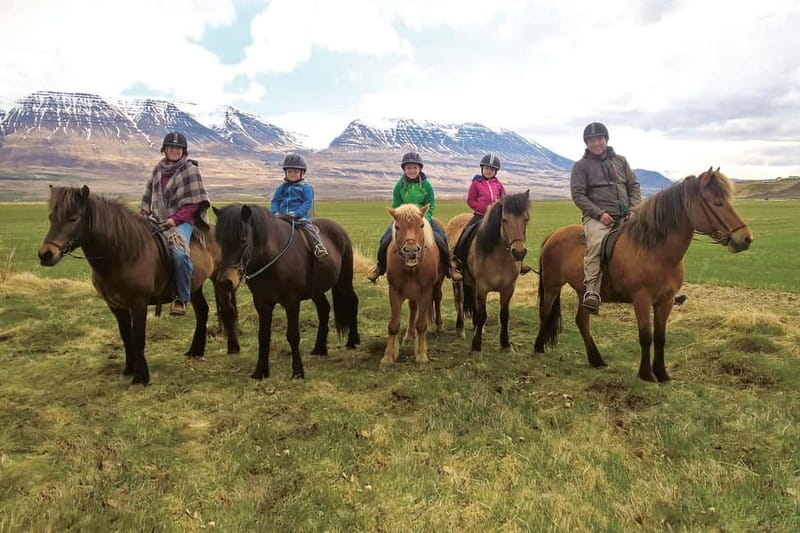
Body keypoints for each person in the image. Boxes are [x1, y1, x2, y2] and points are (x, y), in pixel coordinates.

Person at [570, 122, 641, 314]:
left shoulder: (621, 161)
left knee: (650, 238)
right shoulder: (581, 166)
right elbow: (578, 195)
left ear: (606, 139)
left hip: (627, 215)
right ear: (587, 143)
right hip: (597, 219)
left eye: (599, 138)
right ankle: (592, 291)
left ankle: (658, 285)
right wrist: (599, 214)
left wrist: (634, 209)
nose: (596, 143)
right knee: (596, 245)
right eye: (591, 140)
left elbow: (634, 186)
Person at [139, 132, 211, 316]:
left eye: (178, 148)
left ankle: (181, 297)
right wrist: (143, 213)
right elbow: (148, 195)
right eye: (171, 147)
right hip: (156, 219)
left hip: (182, 221)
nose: (174, 150)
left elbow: (194, 202)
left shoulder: (190, 170)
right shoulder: (158, 169)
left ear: (183, 151)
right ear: (164, 150)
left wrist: (175, 219)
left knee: (179, 254)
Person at [366, 152, 449, 282]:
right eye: (408, 168)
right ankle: (380, 267)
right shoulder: (399, 185)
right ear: (404, 169)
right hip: (403, 219)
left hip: (422, 218)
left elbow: (430, 204)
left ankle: (449, 267)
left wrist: (424, 218)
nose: (412, 170)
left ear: (420, 169)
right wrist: (400, 217)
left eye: (414, 167)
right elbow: (396, 204)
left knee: (442, 238)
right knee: (385, 239)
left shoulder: (427, 185)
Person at [450, 153, 506, 280]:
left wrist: (500, 208)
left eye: (491, 169)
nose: (488, 171)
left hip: (496, 218)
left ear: (495, 171)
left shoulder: (498, 184)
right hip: (480, 216)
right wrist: (484, 209)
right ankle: (457, 262)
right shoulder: (476, 183)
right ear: (482, 168)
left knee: (511, 234)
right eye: (486, 168)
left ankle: (517, 263)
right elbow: (470, 200)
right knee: (466, 233)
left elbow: (504, 199)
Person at [270, 153, 328, 260]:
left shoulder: (305, 188)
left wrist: (296, 213)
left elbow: (307, 203)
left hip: (299, 218)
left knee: (310, 230)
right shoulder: (281, 188)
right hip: (281, 217)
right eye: (290, 171)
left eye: (296, 172)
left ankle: (318, 247)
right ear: (285, 173)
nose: (292, 174)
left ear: (302, 173)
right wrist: (275, 212)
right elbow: (274, 201)